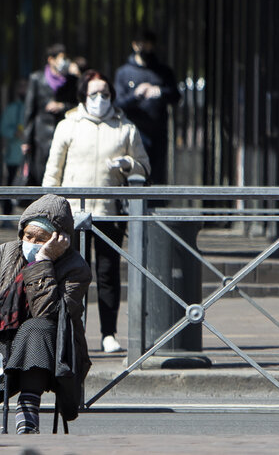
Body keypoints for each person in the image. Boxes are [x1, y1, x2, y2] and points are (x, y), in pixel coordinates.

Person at [0, 194, 91, 434]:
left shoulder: (75, 268)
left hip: (51, 352)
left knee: (35, 328)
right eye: (28, 236)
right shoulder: (1, 255)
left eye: (41, 239)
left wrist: (42, 262)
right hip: (5, 342)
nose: (32, 242)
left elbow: (50, 313)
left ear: (60, 239)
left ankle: (27, 413)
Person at [42, 70, 150, 353]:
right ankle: (71, 331)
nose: (100, 99)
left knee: (107, 274)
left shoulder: (124, 127)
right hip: (72, 213)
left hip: (108, 211)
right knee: (70, 275)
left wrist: (128, 164)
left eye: (105, 94)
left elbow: (144, 165)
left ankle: (108, 333)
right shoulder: (68, 126)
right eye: (94, 94)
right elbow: (53, 171)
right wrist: (46, 209)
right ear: (83, 96)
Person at [113, 30, 179, 185]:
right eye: (141, 43)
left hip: (158, 133)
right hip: (134, 133)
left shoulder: (163, 72)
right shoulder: (124, 72)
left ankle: (157, 207)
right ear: (134, 45)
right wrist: (136, 95)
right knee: (135, 174)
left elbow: (176, 96)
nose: (145, 48)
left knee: (157, 176)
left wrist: (160, 92)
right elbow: (117, 103)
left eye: (149, 44)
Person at [22, 44, 77, 187]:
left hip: (65, 131)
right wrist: (26, 140)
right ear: (50, 60)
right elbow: (29, 109)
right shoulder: (37, 78)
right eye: (61, 58)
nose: (64, 61)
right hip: (41, 135)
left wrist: (62, 106)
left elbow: (78, 106)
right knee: (41, 172)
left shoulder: (72, 80)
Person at [0, 78, 28, 224]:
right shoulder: (12, 108)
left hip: (30, 158)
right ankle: (6, 218)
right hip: (14, 156)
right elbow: (3, 128)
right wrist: (14, 133)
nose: (24, 90)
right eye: (21, 87)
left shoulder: (33, 106)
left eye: (26, 87)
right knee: (10, 187)